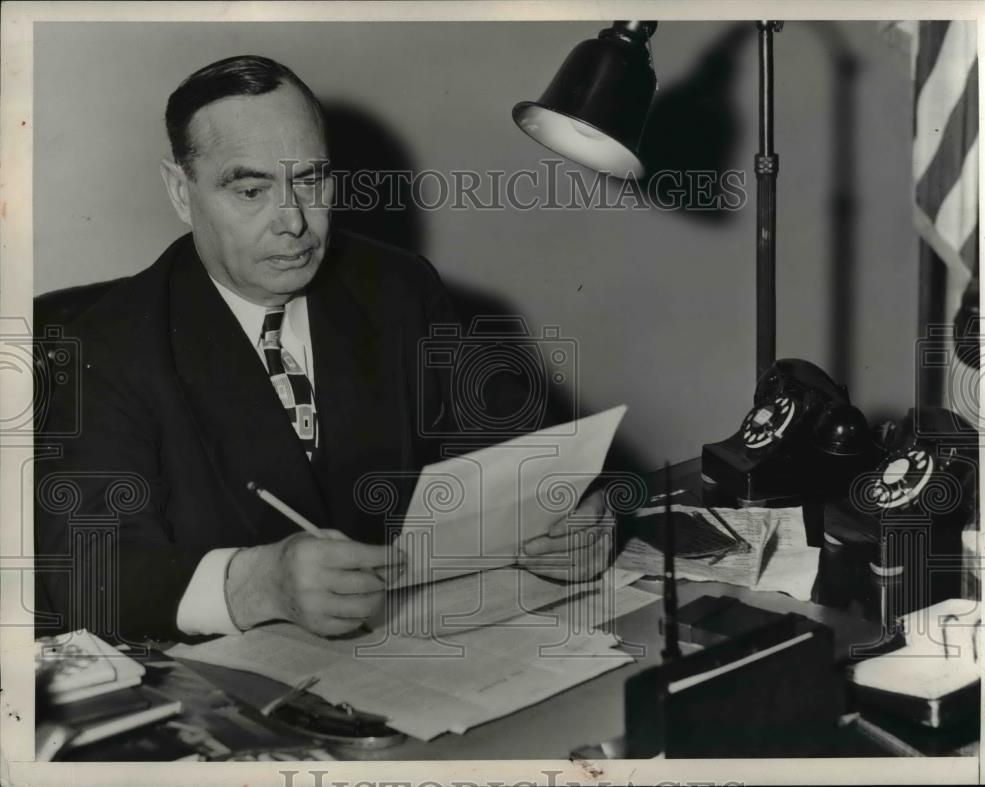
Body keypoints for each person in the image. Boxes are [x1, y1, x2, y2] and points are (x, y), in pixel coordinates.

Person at [34, 55, 613, 644]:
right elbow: (87, 574)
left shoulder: (396, 288)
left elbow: (519, 450)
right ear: (181, 193)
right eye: (252, 189)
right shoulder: (102, 345)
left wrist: (571, 515)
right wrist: (257, 584)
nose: (292, 221)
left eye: (309, 181)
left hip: (420, 649)